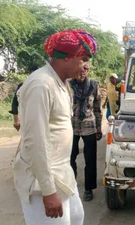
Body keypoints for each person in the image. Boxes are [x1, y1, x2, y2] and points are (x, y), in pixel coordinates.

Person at [12, 29, 97, 225]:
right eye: (83, 58)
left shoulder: (61, 82)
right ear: (66, 57)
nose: (86, 65)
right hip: (41, 180)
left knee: (76, 217)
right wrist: (48, 191)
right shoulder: (41, 85)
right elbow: (35, 140)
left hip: (62, 172)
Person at [69, 62, 102, 202]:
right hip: (71, 126)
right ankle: (71, 184)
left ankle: (88, 189)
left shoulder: (94, 85)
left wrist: (99, 127)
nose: (83, 72)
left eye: (86, 69)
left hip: (89, 126)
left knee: (90, 159)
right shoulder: (68, 85)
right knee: (70, 157)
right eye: (81, 68)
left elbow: (97, 107)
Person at [9, 66, 38, 131]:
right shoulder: (22, 86)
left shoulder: (43, 87)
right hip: (26, 119)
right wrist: (16, 120)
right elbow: (15, 103)